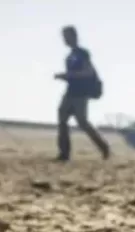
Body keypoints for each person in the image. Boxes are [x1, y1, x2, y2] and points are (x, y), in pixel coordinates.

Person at [54, 26, 110, 162]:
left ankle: (104, 148)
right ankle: (64, 154)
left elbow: (88, 72)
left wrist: (68, 75)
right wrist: (65, 77)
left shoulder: (82, 53)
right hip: (70, 92)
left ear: (73, 36)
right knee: (62, 119)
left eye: (66, 36)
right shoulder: (69, 56)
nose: (64, 39)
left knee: (82, 122)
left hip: (80, 94)